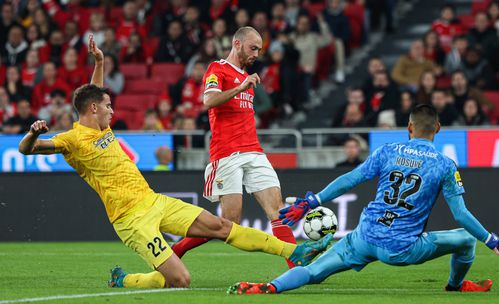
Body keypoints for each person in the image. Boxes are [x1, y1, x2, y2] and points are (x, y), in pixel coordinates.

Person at [17, 35, 331, 289]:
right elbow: (26, 150)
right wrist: (33, 133)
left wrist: (99, 62)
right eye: (108, 106)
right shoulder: (71, 139)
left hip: (154, 201)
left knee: (222, 226)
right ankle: (126, 279)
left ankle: (295, 251)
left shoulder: (102, 125)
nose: (113, 110)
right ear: (95, 109)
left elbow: (94, 94)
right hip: (130, 219)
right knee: (180, 280)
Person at [228, 104, 499, 295]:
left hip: (364, 236)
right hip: (401, 248)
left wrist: (312, 201)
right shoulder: (444, 164)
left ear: (409, 128)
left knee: (314, 272)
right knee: (465, 240)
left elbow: (350, 179)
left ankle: (268, 287)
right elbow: (461, 215)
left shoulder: (388, 151)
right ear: (438, 129)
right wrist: (494, 241)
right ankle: (456, 286)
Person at [171, 27, 299, 269]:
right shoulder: (217, 69)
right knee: (229, 222)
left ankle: (298, 268)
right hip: (226, 154)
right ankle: (177, 249)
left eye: (260, 50)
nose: (257, 54)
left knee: (277, 211)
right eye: (253, 48)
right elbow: (208, 102)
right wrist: (241, 87)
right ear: (237, 44)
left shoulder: (248, 76)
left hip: (254, 151)